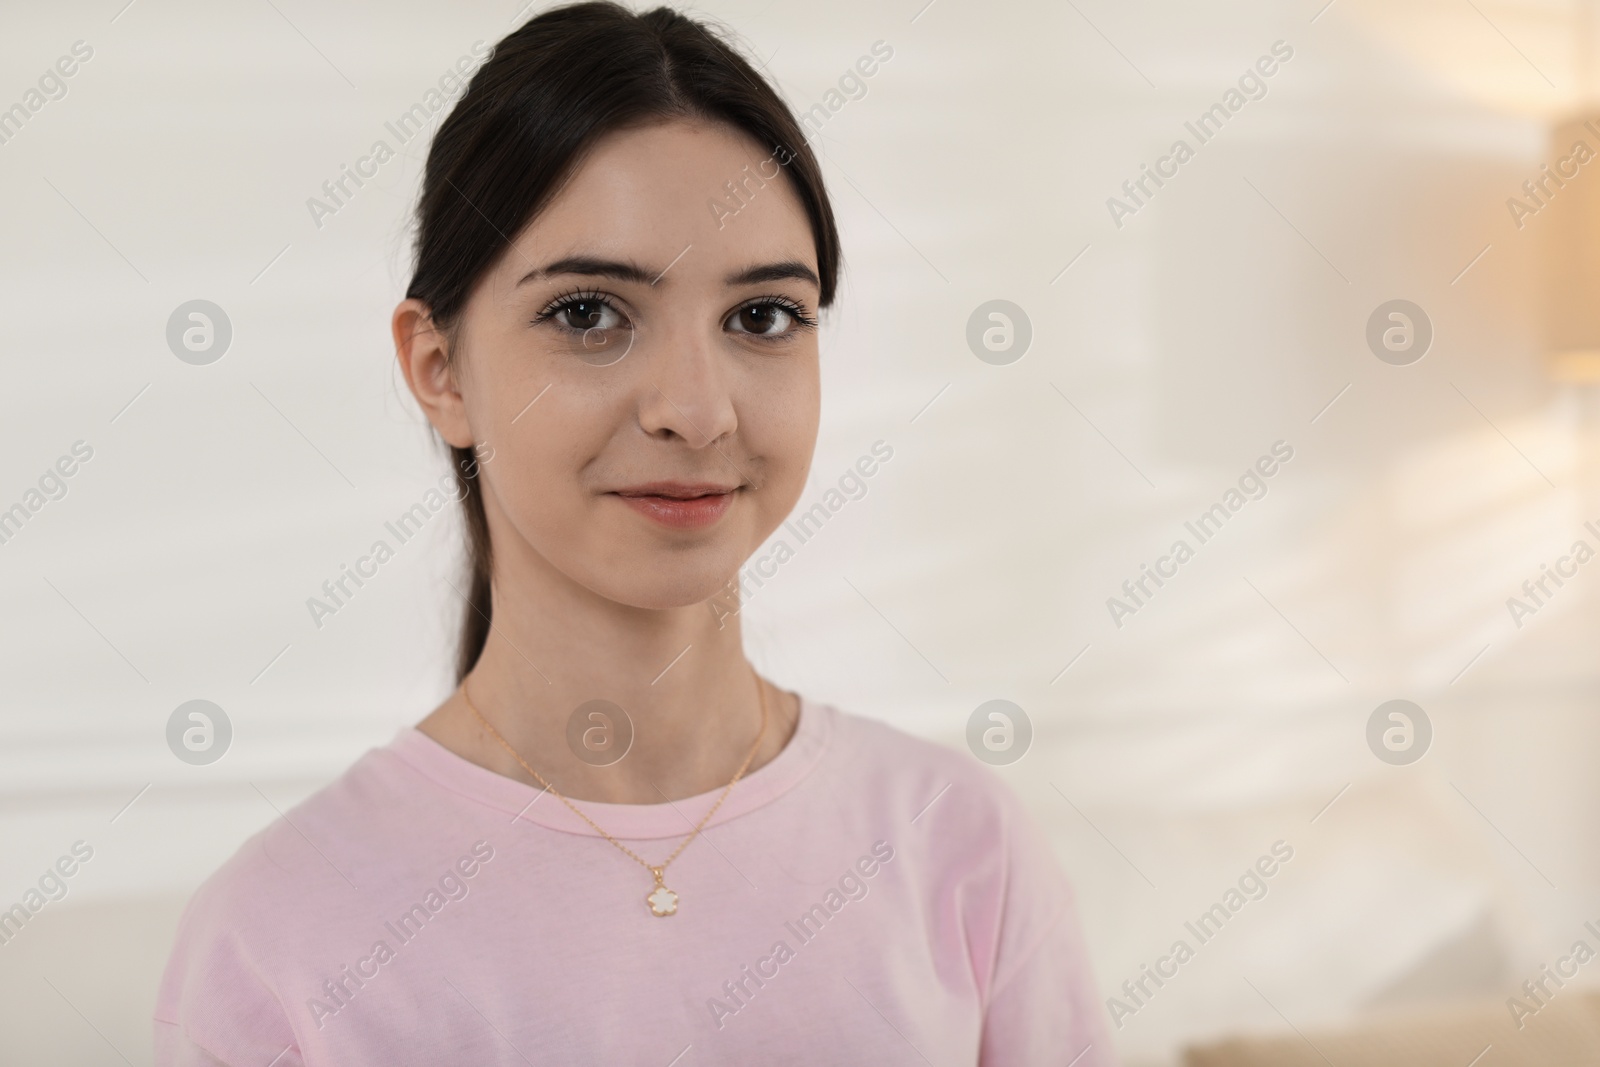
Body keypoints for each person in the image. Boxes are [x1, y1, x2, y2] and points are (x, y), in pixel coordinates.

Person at [154, 4, 1115, 1063]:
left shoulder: (960, 846)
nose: (695, 411)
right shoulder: (281, 935)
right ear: (440, 370)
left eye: (760, 318)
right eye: (588, 314)